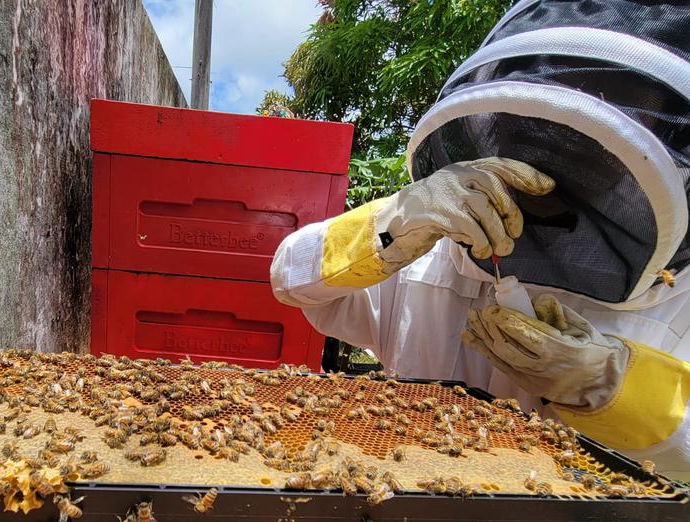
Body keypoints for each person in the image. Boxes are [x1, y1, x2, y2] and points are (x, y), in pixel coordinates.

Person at [271, 1, 690, 479]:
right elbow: (289, 278)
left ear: (664, 128)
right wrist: (392, 222)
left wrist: (609, 385)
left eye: (617, 99)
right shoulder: (429, 240)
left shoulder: (677, 292)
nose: (566, 128)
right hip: (399, 509)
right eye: (560, 89)